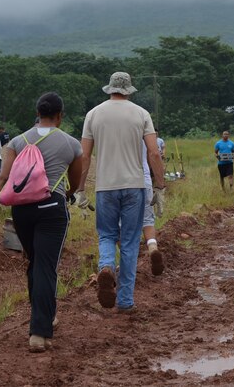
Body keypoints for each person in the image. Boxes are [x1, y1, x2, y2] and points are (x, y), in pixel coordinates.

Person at [0, 92, 83, 353]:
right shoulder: (72, 143)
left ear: (37, 113)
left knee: (34, 262)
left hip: (22, 212)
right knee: (46, 266)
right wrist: (70, 193)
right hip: (52, 208)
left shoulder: (17, 142)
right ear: (60, 116)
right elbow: (76, 182)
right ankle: (39, 333)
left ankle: (45, 315)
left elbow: (2, 180)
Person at [75, 72, 165, 312]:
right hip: (134, 186)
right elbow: (154, 153)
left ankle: (106, 266)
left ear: (110, 89)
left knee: (106, 234)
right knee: (129, 241)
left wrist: (80, 189)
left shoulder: (93, 114)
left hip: (106, 187)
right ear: (129, 90)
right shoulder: (141, 113)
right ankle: (125, 301)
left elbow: (84, 155)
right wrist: (159, 185)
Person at [140, 140, 166, 275]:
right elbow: (154, 154)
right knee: (147, 220)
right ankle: (152, 248)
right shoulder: (143, 123)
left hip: (118, 183)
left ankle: (130, 261)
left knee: (122, 226)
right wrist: (160, 186)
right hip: (144, 181)